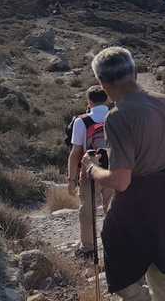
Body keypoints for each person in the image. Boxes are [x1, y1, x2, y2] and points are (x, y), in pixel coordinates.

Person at [81, 47, 165, 301]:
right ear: (135, 72)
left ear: (101, 83)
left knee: (124, 279)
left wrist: (92, 169)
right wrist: (162, 161)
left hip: (135, 210)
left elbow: (121, 181)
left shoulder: (118, 116)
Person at [67, 85, 114, 259]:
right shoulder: (116, 117)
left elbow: (75, 154)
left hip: (90, 174)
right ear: (107, 100)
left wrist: (72, 180)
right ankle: (114, 246)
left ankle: (87, 249)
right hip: (114, 172)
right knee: (113, 211)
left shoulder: (82, 121)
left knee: (87, 212)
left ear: (89, 101)